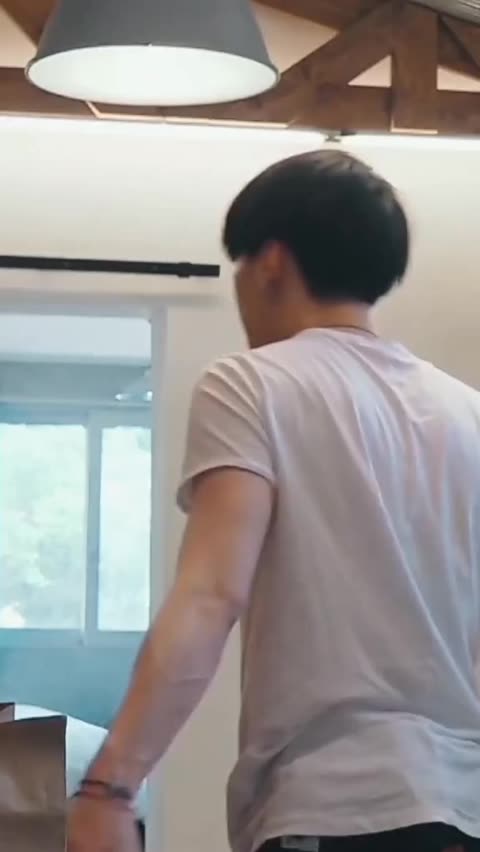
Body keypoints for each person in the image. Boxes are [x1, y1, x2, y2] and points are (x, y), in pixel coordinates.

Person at [68, 150, 480, 852]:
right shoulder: (466, 412)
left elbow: (211, 595)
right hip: (461, 812)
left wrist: (110, 787)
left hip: (330, 806)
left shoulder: (252, 384)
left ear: (271, 263)